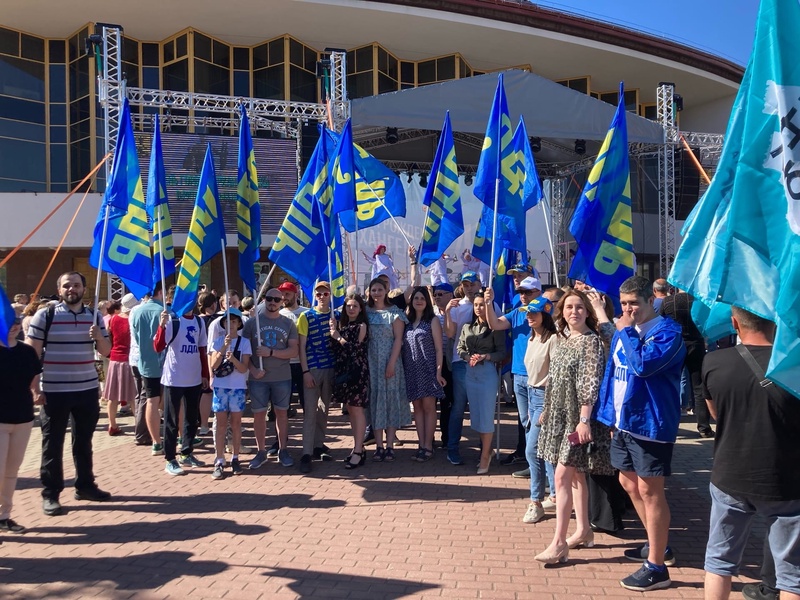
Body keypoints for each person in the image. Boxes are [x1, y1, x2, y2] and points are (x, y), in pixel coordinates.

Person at [594, 276, 686, 591]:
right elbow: (613, 375)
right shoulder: (626, 332)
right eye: (623, 304)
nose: (628, 309)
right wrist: (608, 417)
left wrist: (623, 331)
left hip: (650, 424)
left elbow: (643, 367)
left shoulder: (668, 333)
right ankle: (657, 544)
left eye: (634, 303)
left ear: (650, 301)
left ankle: (657, 566)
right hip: (622, 422)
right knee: (627, 482)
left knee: (650, 490)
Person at [702, 307, 800, 600]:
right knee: (791, 576)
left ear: (734, 323)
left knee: (719, 561)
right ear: (775, 323)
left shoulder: (714, 361)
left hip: (730, 473)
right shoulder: (794, 365)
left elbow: (716, 413)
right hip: (786, 480)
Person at [534, 289, 611, 565]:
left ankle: (558, 543)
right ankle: (583, 530)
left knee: (561, 477)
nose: (574, 311)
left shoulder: (590, 341)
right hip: (558, 415)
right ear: (561, 311)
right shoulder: (564, 339)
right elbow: (554, 377)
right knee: (577, 476)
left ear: (588, 312)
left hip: (578, 419)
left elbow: (590, 381)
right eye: (569, 307)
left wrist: (584, 419)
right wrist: (546, 408)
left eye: (580, 307)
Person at [26, 271, 113, 516]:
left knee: (83, 442)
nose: (71, 289)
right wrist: (35, 388)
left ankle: (85, 485)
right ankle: (51, 494)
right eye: (66, 285)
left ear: (84, 289)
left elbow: (107, 352)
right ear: (60, 289)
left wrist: (98, 337)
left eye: (76, 285)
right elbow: (32, 355)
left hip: (86, 389)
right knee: (52, 444)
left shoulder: (95, 316)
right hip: (55, 390)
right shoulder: (46, 315)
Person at [484, 277, 542, 471]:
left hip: (539, 375)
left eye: (528, 292)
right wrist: (488, 303)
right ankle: (532, 463)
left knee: (537, 422)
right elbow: (494, 324)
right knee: (525, 421)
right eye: (521, 292)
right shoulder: (517, 313)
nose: (523, 296)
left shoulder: (546, 314)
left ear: (538, 292)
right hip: (519, 374)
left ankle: (540, 464)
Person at [442, 270, 499, 466]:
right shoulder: (458, 306)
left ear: (479, 284)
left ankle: (485, 451)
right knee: (459, 407)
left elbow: (497, 327)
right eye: (465, 284)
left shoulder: (491, 304)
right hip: (461, 362)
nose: (469, 288)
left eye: (472, 284)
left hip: (484, 363)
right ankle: (452, 448)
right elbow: (450, 334)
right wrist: (447, 312)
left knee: (482, 409)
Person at [242, 287, 298, 470]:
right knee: (258, 415)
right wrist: (252, 369)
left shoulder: (288, 323)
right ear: (264, 299)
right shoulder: (252, 323)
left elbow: (294, 351)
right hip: (258, 378)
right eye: (269, 298)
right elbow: (245, 352)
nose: (272, 302)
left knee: (281, 413)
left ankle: (283, 449)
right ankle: (261, 451)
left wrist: (271, 352)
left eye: (276, 299)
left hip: (282, 377)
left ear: (282, 301)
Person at [154, 301, 209, 476]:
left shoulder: (199, 322)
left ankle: (186, 452)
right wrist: (161, 326)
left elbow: (202, 349)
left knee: (192, 419)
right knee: (171, 420)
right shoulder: (173, 321)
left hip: (193, 378)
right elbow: (158, 347)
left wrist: (205, 374)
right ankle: (170, 459)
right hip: (174, 378)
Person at [518, 297, 559, 524]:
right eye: (528, 313)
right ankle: (554, 494)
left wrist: (549, 406)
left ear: (546, 314)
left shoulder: (553, 339)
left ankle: (535, 501)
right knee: (543, 451)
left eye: (534, 313)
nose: (529, 317)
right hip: (532, 394)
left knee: (532, 450)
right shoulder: (532, 338)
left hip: (544, 397)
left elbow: (555, 375)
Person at [0, 315, 42, 532]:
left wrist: (39, 393)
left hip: (23, 418)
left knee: (11, 470)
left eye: (16, 321)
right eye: (7, 322)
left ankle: (4, 515)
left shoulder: (27, 351)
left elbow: (34, 381)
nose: (13, 326)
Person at [457, 292, 506, 474]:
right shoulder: (467, 326)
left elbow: (502, 352)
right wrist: (467, 356)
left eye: (482, 305)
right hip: (471, 373)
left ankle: (485, 456)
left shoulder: (495, 328)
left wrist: (486, 356)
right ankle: (487, 450)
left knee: (486, 416)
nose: (479, 308)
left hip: (487, 373)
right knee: (476, 416)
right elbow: (460, 347)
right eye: (476, 305)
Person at [365, 277, 409, 462]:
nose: (376, 293)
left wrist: (391, 363)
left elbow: (398, 339)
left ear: (385, 291)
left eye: (379, 290)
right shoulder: (365, 312)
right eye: (373, 290)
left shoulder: (395, 313)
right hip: (371, 363)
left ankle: (390, 445)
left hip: (390, 362)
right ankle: (379, 445)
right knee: (375, 402)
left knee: (390, 402)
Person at [659, 290, 712, 437]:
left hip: (675, 344)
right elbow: (706, 322)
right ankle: (704, 428)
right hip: (696, 343)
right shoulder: (699, 302)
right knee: (699, 386)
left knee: (671, 385)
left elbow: (662, 322)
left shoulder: (668, 301)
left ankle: (669, 426)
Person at [402, 286, 446, 462]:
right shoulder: (407, 321)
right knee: (418, 409)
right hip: (411, 370)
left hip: (428, 369)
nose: (419, 301)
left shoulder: (432, 321)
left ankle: (428, 445)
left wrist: (438, 372)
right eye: (416, 298)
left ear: (427, 301)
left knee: (429, 408)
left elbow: (438, 348)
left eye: (422, 298)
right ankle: (421, 444)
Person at [297, 281, 337, 473]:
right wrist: (305, 371)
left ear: (330, 295)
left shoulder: (335, 316)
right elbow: (301, 347)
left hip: (331, 368)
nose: (322, 297)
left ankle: (318, 445)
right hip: (313, 368)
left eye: (325, 294)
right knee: (310, 412)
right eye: (318, 294)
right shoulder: (306, 316)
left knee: (324, 409)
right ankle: (306, 452)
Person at [208, 308, 251, 480]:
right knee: (220, 424)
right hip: (220, 387)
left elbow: (243, 368)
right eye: (227, 322)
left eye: (234, 322)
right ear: (223, 324)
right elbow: (213, 365)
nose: (231, 325)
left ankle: (235, 457)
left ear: (239, 323)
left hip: (237, 388)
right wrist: (223, 347)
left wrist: (233, 359)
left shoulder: (245, 343)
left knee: (236, 423)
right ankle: (219, 459)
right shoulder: (217, 342)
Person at [330, 293, 370, 469]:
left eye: (355, 306)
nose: (351, 309)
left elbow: (355, 350)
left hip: (357, 372)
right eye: (348, 306)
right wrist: (334, 332)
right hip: (343, 371)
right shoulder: (342, 326)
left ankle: (359, 450)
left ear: (361, 308)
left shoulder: (362, 326)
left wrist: (338, 337)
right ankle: (357, 446)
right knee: (351, 411)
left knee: (357, 409)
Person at [130, 286, 167, 456]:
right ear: (160, 292)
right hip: (163, 363)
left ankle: (156, 442)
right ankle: (175, 437)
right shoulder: (164, 311)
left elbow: (136, 337)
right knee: (168, 400)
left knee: (150, 400)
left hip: (144, 362)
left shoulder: (136, 312)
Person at [103, 293, 139, 436]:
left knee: (112, 396)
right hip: (130, 359)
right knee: (133, 396)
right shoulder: (133, 319)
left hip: (114, 359)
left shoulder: (113, 319)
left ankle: (112, 425)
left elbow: (109, 337)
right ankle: (139, 425)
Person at [278, 281, 307, 423]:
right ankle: (281, 441)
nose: (284, 297)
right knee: (283, 405)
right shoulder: (277, 314)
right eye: (282, 294)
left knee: (306, 403)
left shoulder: (305, 313)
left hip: (303, 365)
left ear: (295, 295)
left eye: (287, 294)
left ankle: (310, 440)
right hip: (284, 365)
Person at [432, 283, 455, 448]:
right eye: (435, 294)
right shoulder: (430, 314)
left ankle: (447, 437)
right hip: (431, 363)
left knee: (447, 403)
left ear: (450, 295)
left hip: (450, 363)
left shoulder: (457, 312)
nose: (437, 297)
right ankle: (428, 438)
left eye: (441, 294)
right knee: (430, 404)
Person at [197, 291, 220, 436]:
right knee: (208, 392)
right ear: (213, 304)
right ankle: (205, 424)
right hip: (211, 356)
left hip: (196, 356)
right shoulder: (216, 320)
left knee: (202, 392)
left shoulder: (196, 319)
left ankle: (203, 424)